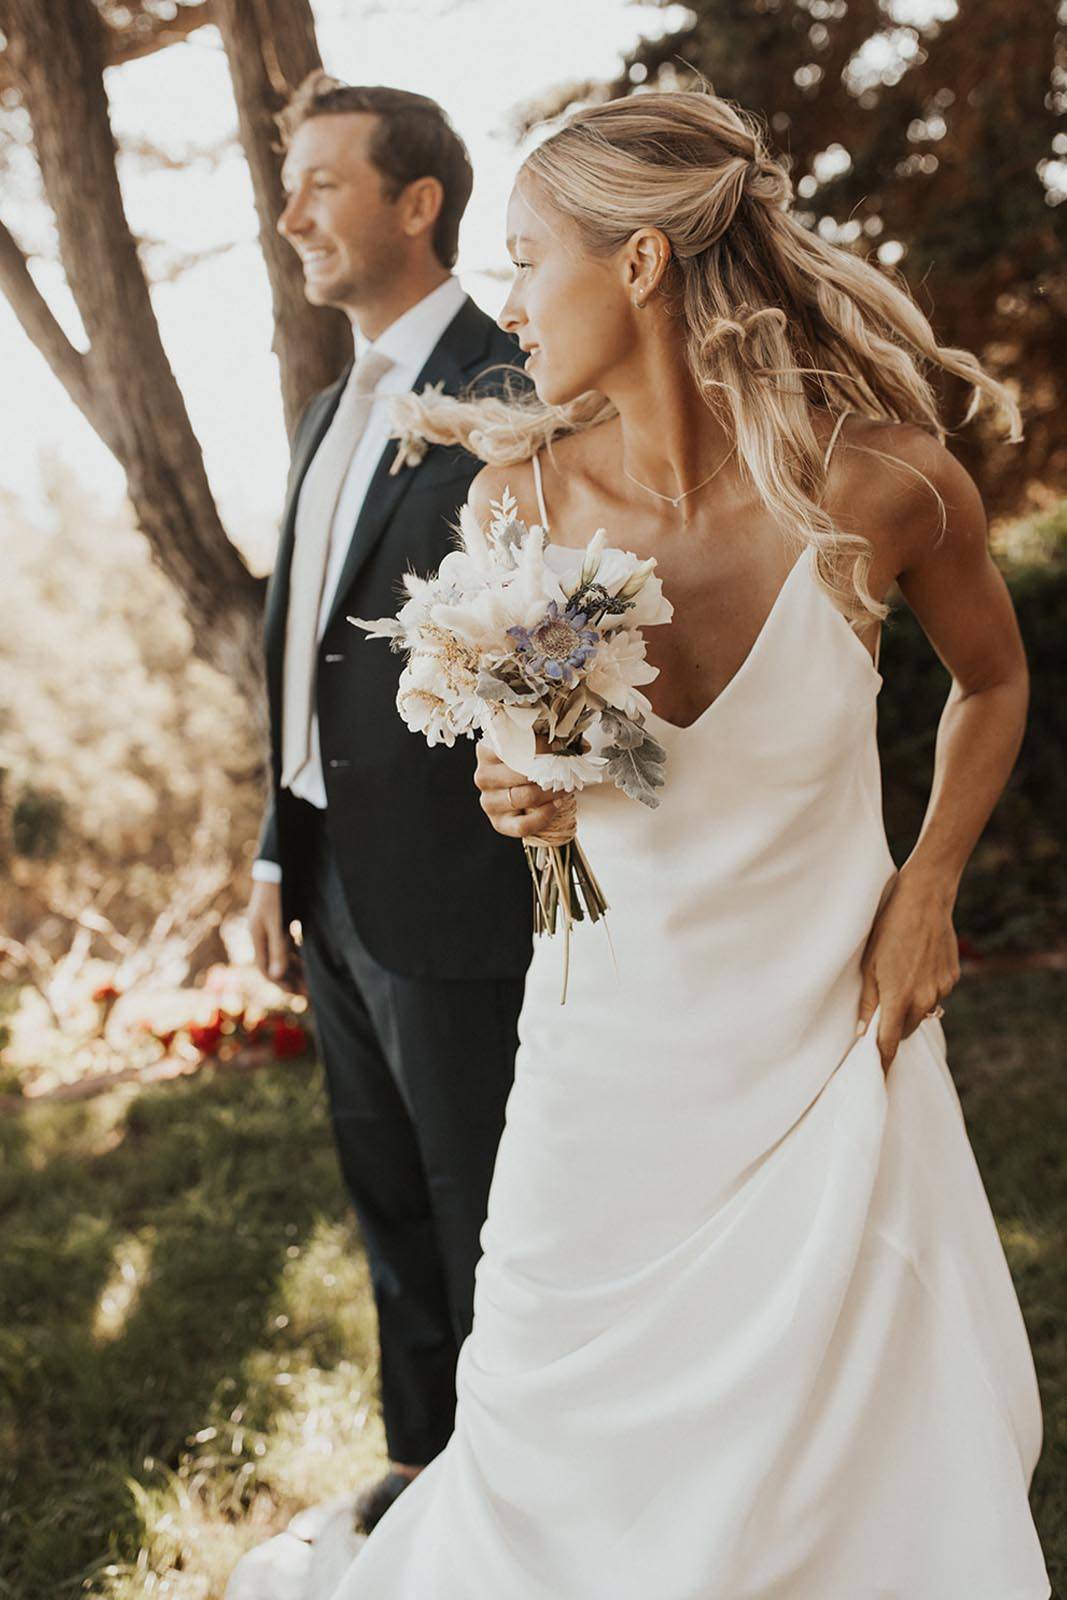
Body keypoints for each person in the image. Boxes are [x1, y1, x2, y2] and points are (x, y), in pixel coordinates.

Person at [255, 86, 1051, 1599]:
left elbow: (994, 682)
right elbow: (534, 779)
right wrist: (521, 791)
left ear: (637, 265)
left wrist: (930, 880)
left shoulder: (880, 480)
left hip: (830, 1035)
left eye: (528, 255)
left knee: (858, 1439)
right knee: (563, 1443)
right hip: (605, 1054)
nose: (505, 301)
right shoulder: (513, 503)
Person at [247, 73, 531, 1535]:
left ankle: (516, 1473)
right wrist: (265, 845)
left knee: (481, 1190)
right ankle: (423, 1454)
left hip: (459, 872)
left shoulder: (512, 393)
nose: (289, 214)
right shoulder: (325, 407)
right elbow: (295, 633)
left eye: (321, 185)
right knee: (384, 1185)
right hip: (326, 870)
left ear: (418, 204)